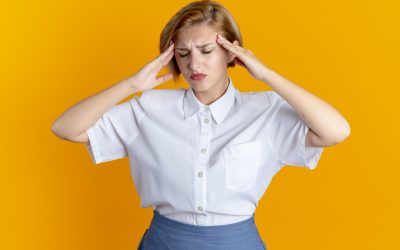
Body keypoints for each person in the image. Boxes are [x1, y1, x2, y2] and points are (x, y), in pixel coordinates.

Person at [51, 0, 350, 249]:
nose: (194, 64)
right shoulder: (148, 109)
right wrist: (130, 85)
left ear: (232, 53)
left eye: (206, 51)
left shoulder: (266, 111)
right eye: (183, 54)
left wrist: (267, 75)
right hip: (164, 242)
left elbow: (337, 131)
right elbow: (65, 128)